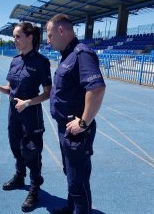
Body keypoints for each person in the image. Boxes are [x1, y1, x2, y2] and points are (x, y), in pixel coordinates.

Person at [0, 22, 52, 213]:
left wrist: (28, 103)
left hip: (31, 113)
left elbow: (47, 93)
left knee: (32, 151)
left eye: (17, 36)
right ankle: (19, 176)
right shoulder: (14, 60)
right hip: (14, 113)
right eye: (14, 37)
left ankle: (34, 188)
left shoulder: (41, 62)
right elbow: (10, 89)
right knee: (15, 146)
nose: (14, 40)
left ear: (29, 37)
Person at [46, 14, 106, 214]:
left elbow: (96, 89)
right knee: (71, 174)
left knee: (78, 181)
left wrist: (83, 123)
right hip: (66, 128)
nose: (48, 40)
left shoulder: (82, 54)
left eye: (49, 35)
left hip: (76, 130)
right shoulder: (68, 54)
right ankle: (71, 208)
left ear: (60, 30)